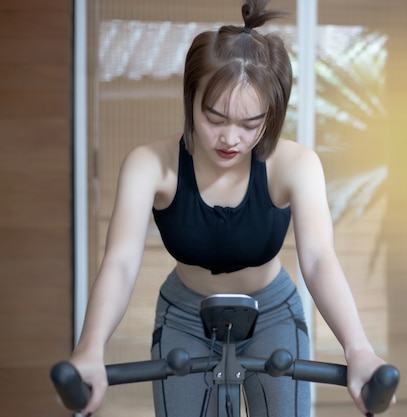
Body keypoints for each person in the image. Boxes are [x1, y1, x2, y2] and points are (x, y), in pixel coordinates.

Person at [68, 0, 390, 416]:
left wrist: (359, 349)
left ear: (271, 116)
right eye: (214, 118)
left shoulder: (296, 165)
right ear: (191, 99)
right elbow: (121, 262)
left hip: (271, 312)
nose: (230, 139)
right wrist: (90, 349)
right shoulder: (149, 165)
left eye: (250, 124)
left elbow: (318, 259)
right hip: (185, 314)